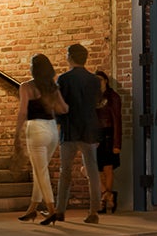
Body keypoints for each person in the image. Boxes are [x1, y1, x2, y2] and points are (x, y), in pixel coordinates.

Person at [13, 54, 69, 224]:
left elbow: (23, 111)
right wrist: (50, 104)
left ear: (33, 68)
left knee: (41, 171)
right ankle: (32, 209)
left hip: (36, 129)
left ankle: (52, 210)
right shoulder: (53, 88)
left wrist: (16, 134)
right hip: (52, 129)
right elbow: (64, 109)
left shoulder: (26, 87)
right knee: (40, 170)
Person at [52, 43, 103, 224]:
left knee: (65, 172)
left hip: (70, 130)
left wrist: (58, 124)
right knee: (93, 173)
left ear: (71, 57)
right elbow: (96, 104)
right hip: (89, 130)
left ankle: (60, 210)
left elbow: (59, 105)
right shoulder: (94, 80)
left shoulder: (64, 79)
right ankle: (94, 212)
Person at [95, 70, 122, 213]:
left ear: (105, 80)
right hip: (95, 135)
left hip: (109, 135)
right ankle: (108, 195)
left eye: (100, 79)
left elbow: (117, 120)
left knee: (108, 169)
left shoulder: (113, 97)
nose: (98, 82)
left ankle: (103, 200)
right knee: (91, 169)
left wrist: (117, 144)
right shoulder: (92, 97)